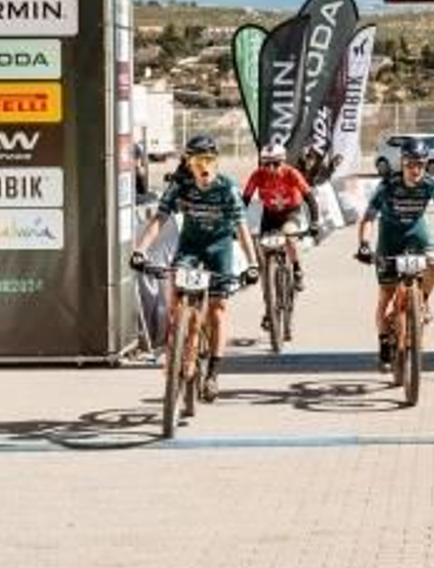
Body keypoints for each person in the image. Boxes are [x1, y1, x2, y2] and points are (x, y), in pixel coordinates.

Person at [131, 134, 258, 402]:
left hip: (219, 248)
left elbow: (242, 229)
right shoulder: (181, 186)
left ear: (216, 162)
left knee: (218, 309)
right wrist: (140, 251)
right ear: (189, 164)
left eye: (210, 160)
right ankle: (177, 343)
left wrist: (253, 264)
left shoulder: (228, 189)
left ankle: (212, 373)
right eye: (198, 161)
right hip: (190, 246)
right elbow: (159, 219)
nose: (205, 167)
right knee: (175, 294)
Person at [354, 138, 434, 370]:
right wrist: (364, 245)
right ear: (402, 163)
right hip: (390, 239)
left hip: (417, 234)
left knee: (433, 265)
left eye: (421, 165)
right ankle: (384, 343)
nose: (415, 169)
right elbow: (368, 218)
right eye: (410, 164)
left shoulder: (430, 185)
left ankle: (422, 301)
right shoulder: (387, 185)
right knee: (385, 296)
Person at [242, 141, 321, 301]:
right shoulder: (257, 175)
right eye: (267, 164)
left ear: (283, 162)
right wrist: (235, 223)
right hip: (270, 214)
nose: (271, 168)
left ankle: (297, 269)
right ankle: (269, 304)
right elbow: (245, 200)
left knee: (289, 237)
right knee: (263, 255)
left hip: (290, 212)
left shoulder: (291, 173)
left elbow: (309, 198)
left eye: (276, 163)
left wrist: (315, 222)